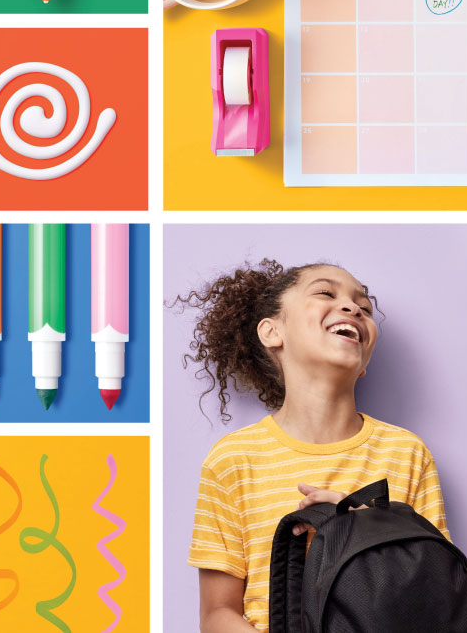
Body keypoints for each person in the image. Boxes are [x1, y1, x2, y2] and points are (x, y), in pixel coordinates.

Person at [178, 260, 448, 633]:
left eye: (364, 308)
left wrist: (362, 526)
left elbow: (436, 590)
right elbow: (216, 615)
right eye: (325, 293)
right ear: (273, 331)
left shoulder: (407, 453)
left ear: (365, 360)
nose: (353, 308)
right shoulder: (233, 460)